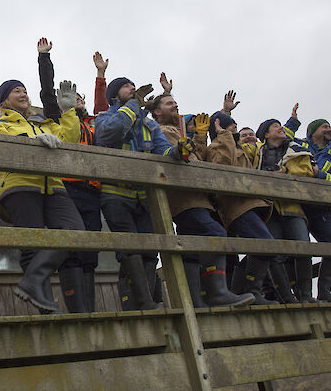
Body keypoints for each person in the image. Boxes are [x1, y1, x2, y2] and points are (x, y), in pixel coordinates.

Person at [0, 72, 85, 313]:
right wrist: (33, 142)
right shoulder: (0, 125)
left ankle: (31, 282)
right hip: (20, 186)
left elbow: (71, 139)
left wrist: (69, 111)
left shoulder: (45, 122)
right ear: (4, 103)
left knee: (76, 231)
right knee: (33, 244)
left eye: (24, 90)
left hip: (53, 186)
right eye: (16, 91)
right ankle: (46, 309)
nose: (23, 93)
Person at [94, 77, 194, 310]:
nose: (133, 87)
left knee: (150, 248)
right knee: (129, 248)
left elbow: (164, 152)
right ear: (115, 96)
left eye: (133, 85)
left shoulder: (149, 125)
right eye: (126, 86)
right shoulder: (105, 117)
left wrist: (178, 151)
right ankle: (143, 302)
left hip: (145, 197)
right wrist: (133, 106)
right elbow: (111, 134)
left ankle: (148, 301)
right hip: (115, 195)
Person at [150, 91, 254, 308]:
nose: (175, 105)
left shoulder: (176, 132)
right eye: (170, 103)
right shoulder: (163, 131)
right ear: (157, 112)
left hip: (195, 197)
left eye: (176, 102)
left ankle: (196, 300)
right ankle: (217, 293)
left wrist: (198, 137)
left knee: (191, 250)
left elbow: (198, 155)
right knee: (215, 234)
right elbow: (185, 159)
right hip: (185, 197)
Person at [37, 41, 109, 312]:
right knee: (71, 247)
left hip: (92, 191)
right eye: (73, 98)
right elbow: (47, 91)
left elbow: (103, 107)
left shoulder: (94, 125)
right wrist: (44, 58)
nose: (77, 100)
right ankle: (77, 309)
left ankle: (88, 310)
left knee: (90, 248)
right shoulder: (59, 118)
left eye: (80, 98)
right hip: (67, 189)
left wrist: (100, 76)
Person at [206, 112, 295, 304]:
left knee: (263, 246)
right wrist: (224, 136)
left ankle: (242, 291)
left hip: (250, 204)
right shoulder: (216, 146)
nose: (235, 128)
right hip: (236, 206)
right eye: (231, 125)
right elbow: (222, 168)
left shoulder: (236, 147)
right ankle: (251, 291)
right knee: (265, 243)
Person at [243, 119, 320, 303]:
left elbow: (306, 171)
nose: (280, 128)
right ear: (266, 135)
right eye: (275, 127)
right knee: (275, 254)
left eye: (281, 125)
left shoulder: (296, 150)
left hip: (292, 207)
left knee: (303, 249)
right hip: (269, 208)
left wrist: (285, 172)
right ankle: (287, 297)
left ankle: (306, 296)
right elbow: (240, 152)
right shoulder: (257, 150)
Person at [303, 119, 331, 301]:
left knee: (329, 243)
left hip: (325, 206)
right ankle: (304, 293)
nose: (329, 129)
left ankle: (324, 291)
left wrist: (319, 174)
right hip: (302, 204)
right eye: (325, 126)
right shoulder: (303, 146)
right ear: (313, 132)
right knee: (298, 249)